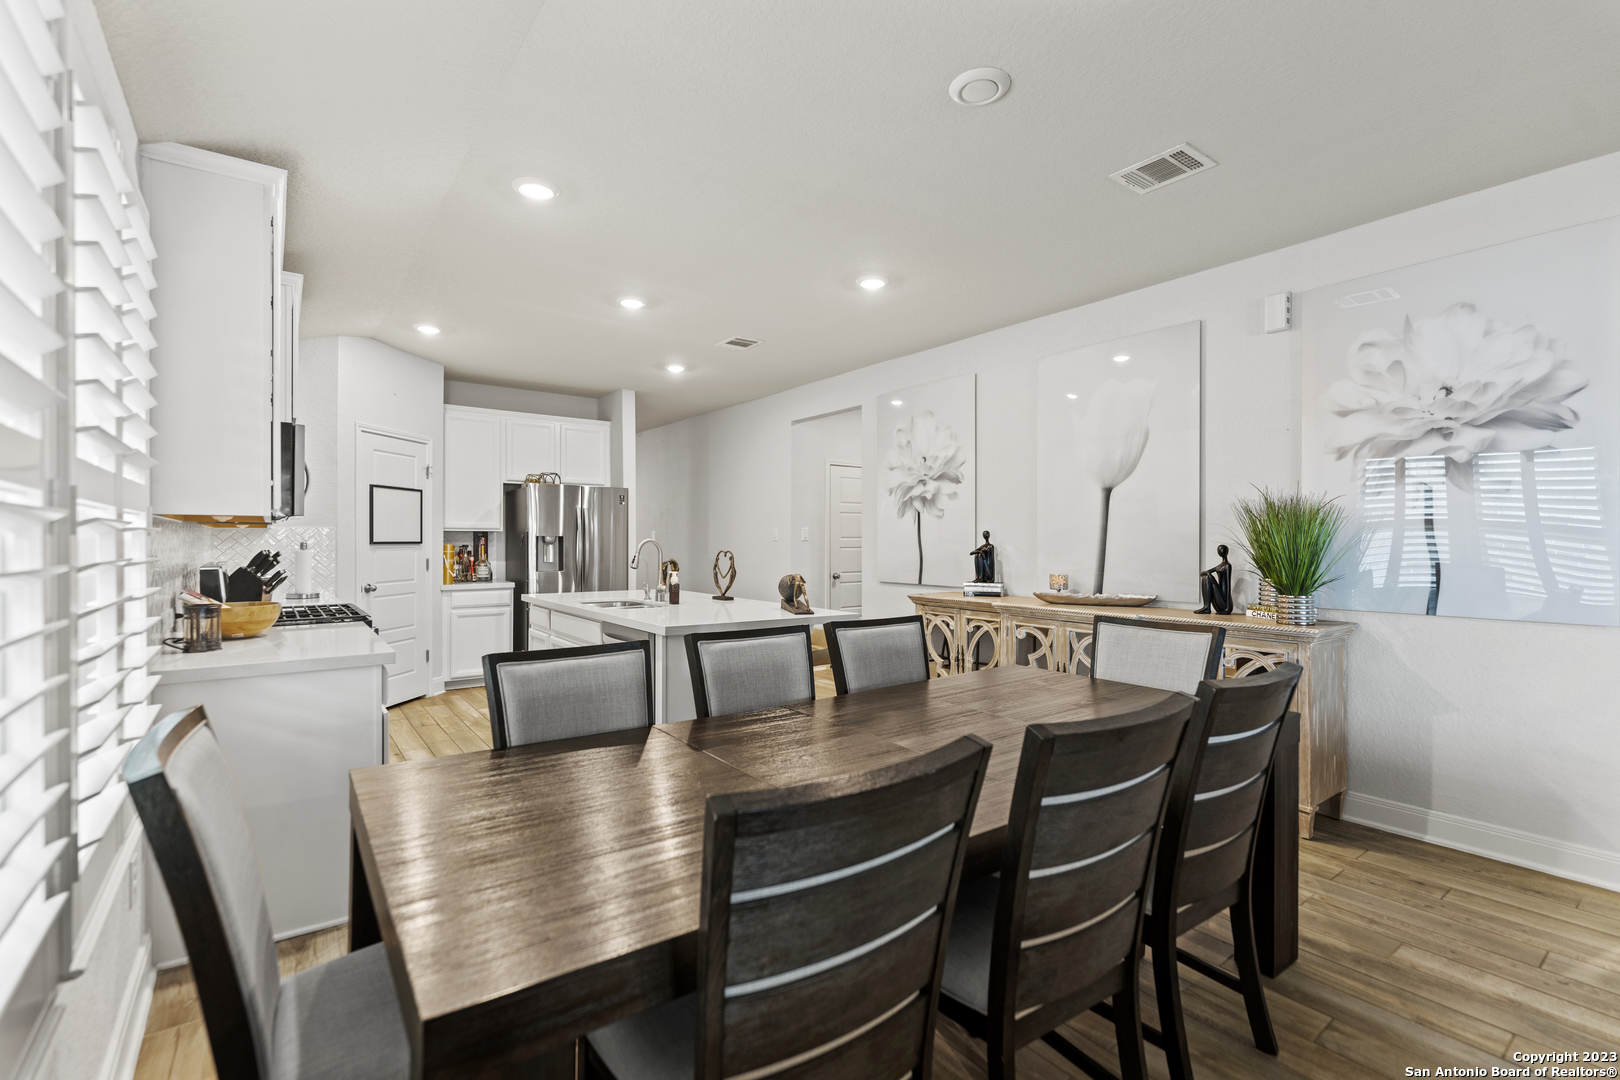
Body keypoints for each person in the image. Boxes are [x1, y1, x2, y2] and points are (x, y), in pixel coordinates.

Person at [1195, 544, 1234, 615]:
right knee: (1206, 577)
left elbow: (1228, 587)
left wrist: (1228, 609)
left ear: (1226, 552)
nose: (1220, 551)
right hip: (1218, 600)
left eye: (1222, 550)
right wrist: (1206, 573)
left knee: (1208, 576)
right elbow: (1202, 574)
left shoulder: (1227, 566)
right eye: (1219, 550)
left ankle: (1207, 607)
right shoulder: (1219, 566)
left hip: (1224, 601)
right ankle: (1206, 607)